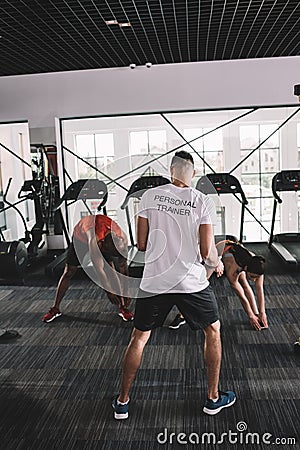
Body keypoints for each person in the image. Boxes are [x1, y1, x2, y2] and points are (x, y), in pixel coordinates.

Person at [112, 150, 236, 419]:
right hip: (190, 281)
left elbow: (142, 244)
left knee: (140, 337)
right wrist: (217, 263)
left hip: (156, 279)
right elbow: (206, 251)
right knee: (213, 331)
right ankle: (213, 398)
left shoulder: (149, 196)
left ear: (171, 170)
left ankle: (122, 402)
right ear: (192, 173)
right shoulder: (201, 200)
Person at [42, 214, 133, 323]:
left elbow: (123, 269)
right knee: (68, 272)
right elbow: (99, 269)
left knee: (112, 270)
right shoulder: (94, 240)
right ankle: (55, 308)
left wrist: (126, 290)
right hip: (80, 238)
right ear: (102, 244)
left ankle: (123, 307)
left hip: (102, 235)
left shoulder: (122, 237)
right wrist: (109, 292)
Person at [169, 239, 268, 331]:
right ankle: (181, 315)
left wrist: (261, 313)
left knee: (245, 283)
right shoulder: (232, 271)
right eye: (253, 276)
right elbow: (241, 296)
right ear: (246, 268)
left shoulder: (257, 263)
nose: (255, 279)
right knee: (199, 283)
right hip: (216, 251)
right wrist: (250, 316)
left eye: (256, 277)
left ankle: (256, 314)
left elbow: (260, 290)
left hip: (233, 253)